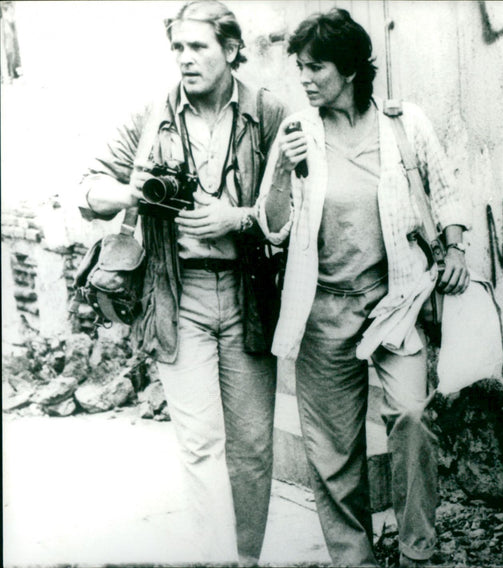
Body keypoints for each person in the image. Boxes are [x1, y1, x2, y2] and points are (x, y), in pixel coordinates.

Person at [257, 8, 471, 567]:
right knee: (333, 450)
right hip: (322, 308)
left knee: (412, 417)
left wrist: (454, 247)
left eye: (316, 67)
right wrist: (283, 169)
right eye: (300, 67)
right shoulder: (297, 132)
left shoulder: (403, 124)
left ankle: (417, 549)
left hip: (394, 303)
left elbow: (446, 190)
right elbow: (272, 225)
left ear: (350, 69)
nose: (304, 79)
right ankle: (353, 557)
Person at [78, 1, 287, 563]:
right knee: (200, 444)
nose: (185, 59)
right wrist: (135, 192)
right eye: (178, 47)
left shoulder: (268, 113)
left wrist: (236, 218)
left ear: (232, 49)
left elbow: (288, 211)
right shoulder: (153, 115)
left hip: (249, 295)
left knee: (253, 449)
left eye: (198, 47)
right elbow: (89, 188)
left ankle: (246, 560)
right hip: (179, 295)